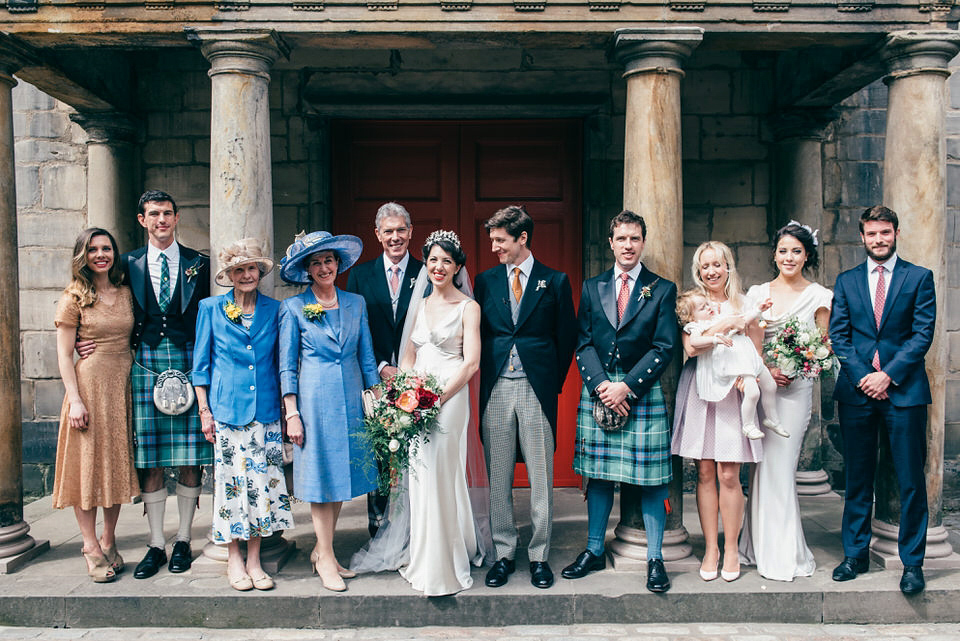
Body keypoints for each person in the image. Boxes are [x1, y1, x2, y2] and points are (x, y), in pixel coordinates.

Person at [81, 190, 211, 579]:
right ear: (141, 219)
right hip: (144, 363)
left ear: (176, 217)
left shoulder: (198, 264)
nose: (161, 220)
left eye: (168, 213)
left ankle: (184, 539)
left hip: (188, 360)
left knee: (190, 457)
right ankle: (156, 543)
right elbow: (96, 301)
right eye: (153, 214)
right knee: (150, 459)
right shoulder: (125, 264)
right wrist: (77, 337)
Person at [563, 210, 678, 593]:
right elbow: (583, 342)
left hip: (638, 392)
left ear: (643, 242)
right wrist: (600, 386)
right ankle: (594, 549)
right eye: (621, 238)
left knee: (651, 479)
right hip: (599, 390)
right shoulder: (593, 286)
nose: (628, 245)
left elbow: (664, 347)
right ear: (610, 243)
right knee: (597, 475)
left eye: (635, 238)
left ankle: (655, 558)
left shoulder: (661, 288)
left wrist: (626, 387)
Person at [829, 206, 935, 595]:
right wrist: (864, 377)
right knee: (857, 478)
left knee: (909, 480)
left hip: (903, 392)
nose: (878, 239)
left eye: (885, 233)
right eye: (872, 234)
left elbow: (922, 335)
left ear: (897, 233)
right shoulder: (847, 281)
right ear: (862, 237)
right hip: (857, 395)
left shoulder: (919, 278)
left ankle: (913, 563)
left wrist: (887, 375)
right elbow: (839, 336)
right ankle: (855, 554)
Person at [473, 205, 577, 590]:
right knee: (498, 474)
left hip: (537, 388)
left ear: (522, 239)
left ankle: (539, 555)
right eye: (493, 241)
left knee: (540, 475)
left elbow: (566, 337)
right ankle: (503, 553)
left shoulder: (555, 281)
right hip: (497, 387)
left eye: (500, 240)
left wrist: (550, 383)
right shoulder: (485, 282)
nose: (495, 247)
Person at [278, 230, 378, 592]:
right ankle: (325, 556)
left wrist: (376, 401)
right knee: (320, 480)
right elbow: (287, 366)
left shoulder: (356, 303)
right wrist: (292, 412)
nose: (324, 267)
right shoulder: (293, 308)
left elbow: (366, 357)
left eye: (329, 260)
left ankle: (324, 552)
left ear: (338, 264)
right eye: (316, 262)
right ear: (307, 269)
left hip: (351, 398)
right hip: (314, 401)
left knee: (341, 477)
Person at [193, 238, 294, 592]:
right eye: (239, 269)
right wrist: (204, 411)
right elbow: (201, 367)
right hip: (226, 410)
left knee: (261, 486)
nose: (246, 274)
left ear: (260, 272)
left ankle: (254, 559)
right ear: (230, 275)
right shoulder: (210, 309)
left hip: (265, 410)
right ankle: (233, 557)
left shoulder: (275, 309)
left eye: (252, 268)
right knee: (232, 485)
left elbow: (281, 363)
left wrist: (285, 411)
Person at [738, 221, 832, 582]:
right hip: (761, 391)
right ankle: (756, 545)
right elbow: (748, 342)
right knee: (760, 468)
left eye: (796, 251)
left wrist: (798, 366)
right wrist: (767, 368)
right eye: (783, 251)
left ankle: (781, 553)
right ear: (774, 254)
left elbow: (823, 346)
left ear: (807, 255)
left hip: (794, 394)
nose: (788, 257)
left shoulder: (820, 296)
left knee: (779, 468)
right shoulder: (759, 292)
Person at [398, 230, 485, 596]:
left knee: (442, 473)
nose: (439, 266)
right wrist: (405, 391)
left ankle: (445, 563)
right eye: (433, 259)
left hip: (450, 399)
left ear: (458, 267)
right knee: (420, 475)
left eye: (447, 261)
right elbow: (409, 354)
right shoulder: (419, 306)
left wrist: (436, 399)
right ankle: (424, 553)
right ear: (426, 263)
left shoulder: (469, 308)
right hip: (414, 400)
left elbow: (471, 364)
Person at [671, 241, 762, 583]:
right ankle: (711, 547)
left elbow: (756, 351)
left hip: (734, 392)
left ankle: (732, 547)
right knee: (705, 472)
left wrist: (747, 376)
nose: (711, 271)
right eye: (704, 266)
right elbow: (691, 349)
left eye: (717, 264)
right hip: (700, 390)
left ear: (728, 266)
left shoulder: (746, 304)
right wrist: (724, 326)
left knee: (729, 474)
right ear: (698, 270)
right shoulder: (693, 303)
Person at [53, 228, 140, 582]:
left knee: (116, 465)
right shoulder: (73, 296)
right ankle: (90, 545)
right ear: (82, 256)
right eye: (93, 249)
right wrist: (75, 400)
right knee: (87, 468)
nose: (101, 254)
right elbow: (62, 353)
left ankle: (109, 538)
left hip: (121, 386)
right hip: (88, 387)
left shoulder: (124, 293)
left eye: (106, 248)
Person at [345, 202, 423, 538]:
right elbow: (355, 329)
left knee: (417, 453)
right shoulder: (361, 275)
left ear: (410, 232)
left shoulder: (427, 272)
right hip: (376, 380)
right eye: (388, 231)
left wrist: (410, 370)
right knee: (380, 453)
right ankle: (379, 529)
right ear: (377, 235)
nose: (395, 237)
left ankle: (417, 530)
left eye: (400, 230)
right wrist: (380, 367)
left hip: (418, 379)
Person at [676, 290, 783, 440]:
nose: (708, 307)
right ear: (691, 317)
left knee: (770, 386)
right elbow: (694, 342)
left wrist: (758, 309)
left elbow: (743, 320)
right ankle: (748, 425)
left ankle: (772, 419)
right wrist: (715, 339)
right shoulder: (696, 326)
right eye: (702, 308)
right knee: (753, 392)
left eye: (707, 304)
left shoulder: (720, 317)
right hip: (736, 363)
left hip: (750, 358)